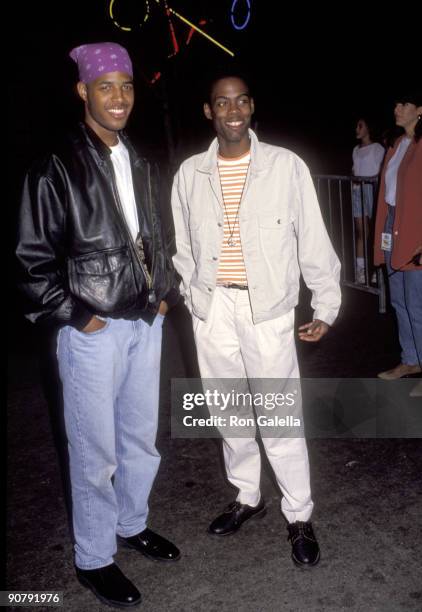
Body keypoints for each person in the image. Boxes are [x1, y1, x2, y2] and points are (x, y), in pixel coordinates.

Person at [16, 42, 181, 608]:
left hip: (144, 321)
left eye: (127, 86)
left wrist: (164, 293)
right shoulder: (57, 166)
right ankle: (94, 557)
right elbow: (30, 261)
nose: (119, 97)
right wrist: (77, 316)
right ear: (82, 91)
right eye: (105, 86)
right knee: (94, 451)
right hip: (92, 331)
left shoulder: (137, 159)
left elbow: (157, 235)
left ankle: (131, 524)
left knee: (140, 440)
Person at [171, 74, 341, 567]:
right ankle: (248, 496)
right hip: (212, 307)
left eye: (240, 100)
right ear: (209, 111)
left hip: (267, 308)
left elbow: (312, 238)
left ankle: (299, 515)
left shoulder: (285, 167)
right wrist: (193, 298)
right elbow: (183, 247)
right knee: (227, 410)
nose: (232, 110)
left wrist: (325, 306)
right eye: (221, 102)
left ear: (251, 106)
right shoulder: (189, 174)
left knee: (278, 414)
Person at [374, 92, 422, 380]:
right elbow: (388, 194)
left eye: (403, 104)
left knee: (416, 302)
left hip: (415, 229)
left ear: (419, 110)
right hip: (393, 225)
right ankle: (411, 359)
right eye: (395, 104)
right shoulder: (397, 145)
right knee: (399, 301)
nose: (396, 108)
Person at [352, 117, 384, 284]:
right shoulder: (355, 150)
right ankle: (360, 270)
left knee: (376, 231)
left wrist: (368, 180)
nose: (357, 129)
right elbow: (354, 169)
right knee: (361, 232)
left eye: (360, 126)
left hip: (371, 190)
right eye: (357, 126)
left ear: (368, 128)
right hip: (357, 191)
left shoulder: (377, 148)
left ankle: (377, 269)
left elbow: (380, 171)